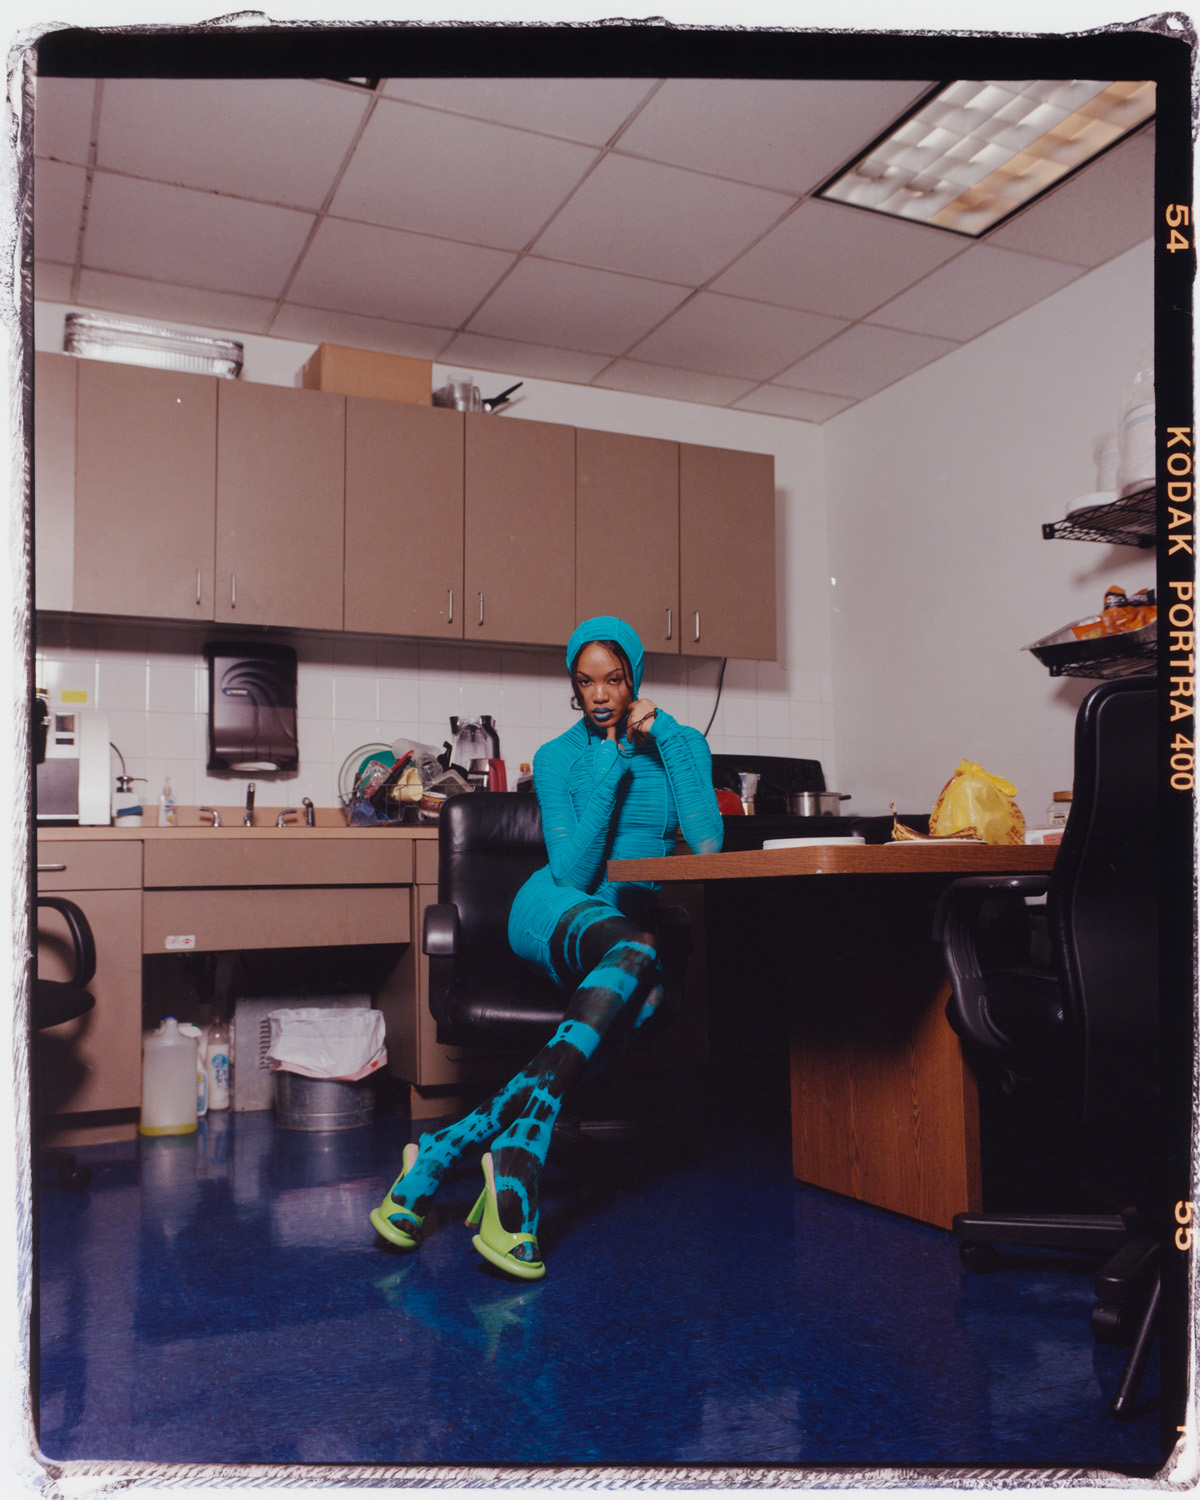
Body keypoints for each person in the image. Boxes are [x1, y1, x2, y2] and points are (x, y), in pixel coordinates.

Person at [369, 615, 723, 1280]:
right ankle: (516, 1157)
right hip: (550, 907)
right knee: (639, 949)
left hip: (623, 926)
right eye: (585, 682)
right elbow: (575, 871)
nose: (600, 695)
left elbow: (706, 843)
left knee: (646, 998)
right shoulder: (560, 756)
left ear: (635, 678)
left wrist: (667, 738)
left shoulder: (681, 744)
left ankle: (451, 1146)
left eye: (613, 679)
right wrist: (615, 761)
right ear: (574, 686)